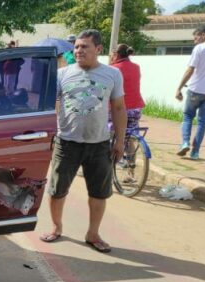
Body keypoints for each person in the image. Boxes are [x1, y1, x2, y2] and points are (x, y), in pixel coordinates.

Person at [40, 29, 127, 253]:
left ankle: (93, 233)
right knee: (57, 190)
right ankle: (56, 227)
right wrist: (49, 131)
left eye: (84, 46)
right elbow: (53, 106)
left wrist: (119, 141)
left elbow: (118, 107)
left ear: (98, 49)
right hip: (66, 142)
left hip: (99, 144)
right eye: (76, 47)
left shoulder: (112, 75)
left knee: (99, 192)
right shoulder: (63, 74)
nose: (78, 50)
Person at [175, 25, 205, 160]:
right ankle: (195, 152)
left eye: (196, 37)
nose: (194, 40)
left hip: (195, 90)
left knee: (187, 117)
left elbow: (190, 70)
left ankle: (185, 143)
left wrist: (179, 87)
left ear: (204, 35)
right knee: (202, 123)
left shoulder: (199, 48)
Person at [110, 43, 145, 140]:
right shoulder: (136, 67)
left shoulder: (113, 69)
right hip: (135, 109)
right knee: (129, 137)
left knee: (109, 134)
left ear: (116, 55)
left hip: (118, 109)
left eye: (111, 55)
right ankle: (130, 155)